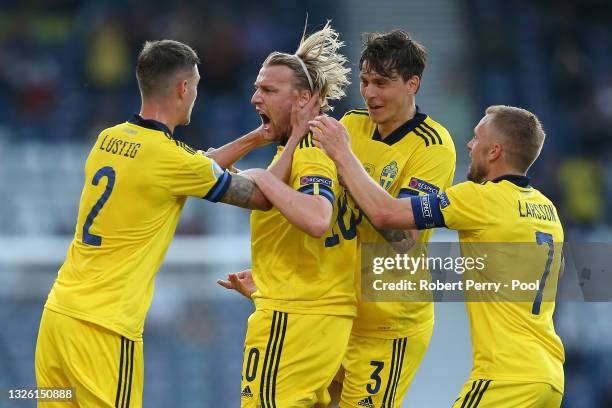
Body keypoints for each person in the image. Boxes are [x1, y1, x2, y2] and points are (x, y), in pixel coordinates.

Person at [220, 30, 456, 408]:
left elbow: (403, 236)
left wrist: (345, 158)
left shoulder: (433, 146)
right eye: (365, 82)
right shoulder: (350, 124)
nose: (370, 93)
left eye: (382, 83)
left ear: (413, 84)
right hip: (339, 309)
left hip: (389, 321)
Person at [34, 39, 273, 408]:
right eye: (195, 85)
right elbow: (258, 197)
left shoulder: (107, 139)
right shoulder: (170, 161)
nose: (196, 94)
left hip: (58, 318)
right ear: (183, 88)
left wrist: (259, 137)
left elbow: (198, 164)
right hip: (106, 331)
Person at [310, 105, 565, 407]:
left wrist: (342, 154)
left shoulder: (479, 198)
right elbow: (557, 268)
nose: (470, 145)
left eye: (476, 138)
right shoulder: (547, 209)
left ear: (494, 151)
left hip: (507, 376)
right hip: (550, 376)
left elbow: (387, 213)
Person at [211, 22, 356, 407]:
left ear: (303, 98)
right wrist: (263, 136)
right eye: (257, 87)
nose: (255, 97)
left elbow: (317, 217)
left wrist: (262, 175)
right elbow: (201, 172)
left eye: (268, 90)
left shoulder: (311, 148)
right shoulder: (297, 147)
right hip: (313, 315)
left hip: (295, 320)